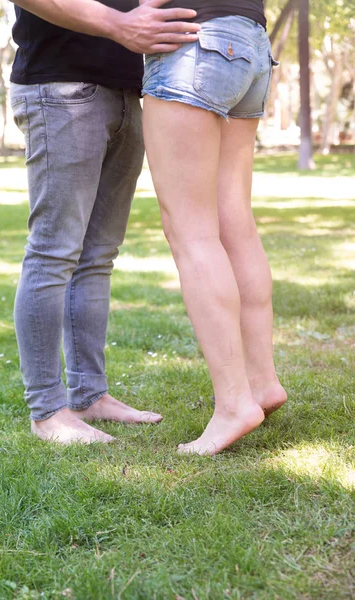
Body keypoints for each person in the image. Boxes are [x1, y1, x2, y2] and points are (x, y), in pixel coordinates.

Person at [9, 0, 200, 445]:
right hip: (60, 86)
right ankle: (47, 411)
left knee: (97, 257)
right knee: (53, 252)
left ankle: (89, 395)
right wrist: (119, 24)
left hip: (129, 89)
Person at [142, 0, 287, 455]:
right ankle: (261, 384)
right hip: (250, 40)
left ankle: (233, 404)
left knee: (191, 231)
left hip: (192, 43)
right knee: (233, 223)